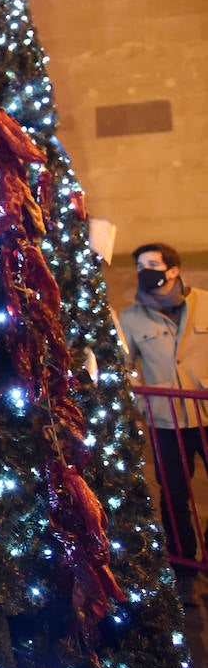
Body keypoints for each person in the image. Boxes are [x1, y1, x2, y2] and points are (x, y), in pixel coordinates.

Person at [119, 242, 208, 591]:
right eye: (140, 265)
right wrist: (142, 400)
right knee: (173, 495)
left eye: (153, 264)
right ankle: (184, 565)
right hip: (165, 422)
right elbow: (124, 367)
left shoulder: (204, 303)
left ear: (173, 269)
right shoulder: (131, 317)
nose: (145, 271)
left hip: (206, 414)